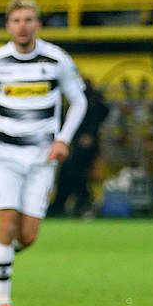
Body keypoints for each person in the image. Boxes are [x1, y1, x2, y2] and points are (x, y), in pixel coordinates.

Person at [0, 0, 87, 306]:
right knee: (5, 223)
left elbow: (79, 101)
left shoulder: (56, 59)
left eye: (29, 20)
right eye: (17, 20)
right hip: (3, 153)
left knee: (27, 236)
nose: (23, 26)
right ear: (8, 26)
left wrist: (63, 139)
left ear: (38, 25)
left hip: (43, 156)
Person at [47, 78, 109, 218]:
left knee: (76, 174)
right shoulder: (85, 101)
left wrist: (90, 134)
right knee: (71, 173)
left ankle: (78, 202)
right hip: (73, 144)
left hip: (83, 148)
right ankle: (70, 203)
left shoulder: (91, 102)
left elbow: (101, 112)